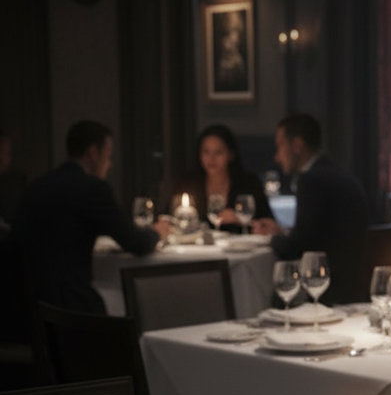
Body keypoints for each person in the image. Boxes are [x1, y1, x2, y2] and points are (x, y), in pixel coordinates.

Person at [11, 120, 171, 313]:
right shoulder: (93, 190)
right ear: (92, 153)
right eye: (108, 155)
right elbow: (136, 242)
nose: (110, 164)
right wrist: (156, 232)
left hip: (21, 308)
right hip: (68, 310)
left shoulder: (35, 187)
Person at [254, 114, 369, 304]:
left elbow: (298, 247)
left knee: (270, 293)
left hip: (327, 289)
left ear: (298, 145)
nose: (276, 156)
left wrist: (269, 239)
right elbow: (319, 233)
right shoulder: (334, 172)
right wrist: (282, 231)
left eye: (280, 146)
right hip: (351, 283)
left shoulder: (311, 180)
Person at [172, 124, 273, 229]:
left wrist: (239, 219)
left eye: (218, 152)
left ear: (231, 154)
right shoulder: (187, 183)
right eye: (206, 152)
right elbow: (171, 218)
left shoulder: (249, 183)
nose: (211, 159)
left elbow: (267, 223)